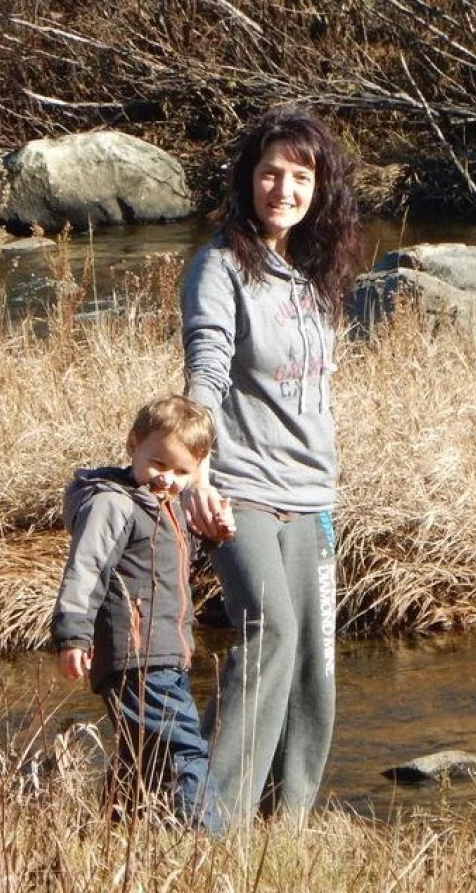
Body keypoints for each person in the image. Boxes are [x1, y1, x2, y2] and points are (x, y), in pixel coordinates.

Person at [180, 105, 364, 824]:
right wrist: (196, 475)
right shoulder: (220, 265)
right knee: (272, 633)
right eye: (269, 173)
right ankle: (207, 820)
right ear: (247, 180)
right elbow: (206, 370)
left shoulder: (314, 274)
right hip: (243, 490)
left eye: (299, 176)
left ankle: (283, 824)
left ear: (320, 188)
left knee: (315, 665)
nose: (283, 189)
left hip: (312, 492)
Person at [50, 394, 224, 833]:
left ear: (198, 469)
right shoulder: (114, 504)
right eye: (158, 464)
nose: (168, 479)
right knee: (185, 750)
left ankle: (110, 835)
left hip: (165, 653)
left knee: (141, 757)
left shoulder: (167, 506)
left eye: (183, 472)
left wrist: (213, 538)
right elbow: (85, 569)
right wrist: (73, 636)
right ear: (133, 445)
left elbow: (167, 569)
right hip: (138, 655)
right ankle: (209, 842)